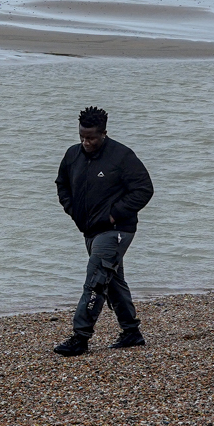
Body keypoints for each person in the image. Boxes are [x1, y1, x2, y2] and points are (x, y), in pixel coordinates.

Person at [52, 105, 154, 356]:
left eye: (91, 138)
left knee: (96, 280)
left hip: (117, 230)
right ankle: (131, 332)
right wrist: (72, 210)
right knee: (112, 280)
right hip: (89, 230)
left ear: (104, 133)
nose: (86, 142)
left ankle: (80, 337)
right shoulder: (72, 155)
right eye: (82, 137)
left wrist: (113, 214)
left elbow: (144, 189)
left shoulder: (121, 156)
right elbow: (62, 184)